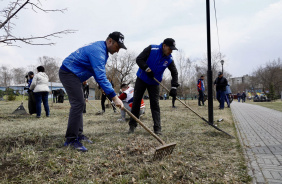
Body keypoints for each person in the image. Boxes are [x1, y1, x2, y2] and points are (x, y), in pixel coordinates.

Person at [59, 31, 126, 152]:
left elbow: (97, 74)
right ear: (110, 41)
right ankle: (71, 139)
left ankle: (78, 134)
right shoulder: (98, 51)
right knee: (78, 103)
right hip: (68, 72)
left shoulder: (102, 51)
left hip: (75, 75)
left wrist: (107, 91)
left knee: (80, 103)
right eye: (117, 47)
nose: (117, 51)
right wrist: (114, 97)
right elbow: (100, 76)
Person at [128, 38, 179, 135]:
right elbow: (139, 59)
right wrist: (147, 69)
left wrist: (174, 87)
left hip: (154, 83)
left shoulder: (169, 59)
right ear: (164, 46)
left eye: (173, 49)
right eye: (170, 48)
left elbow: (174, 72)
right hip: (142, 79)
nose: (171, 51)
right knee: (136, 101)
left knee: (155, 105)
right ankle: (132, 125)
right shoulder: (152, 49)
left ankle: (157, 129)